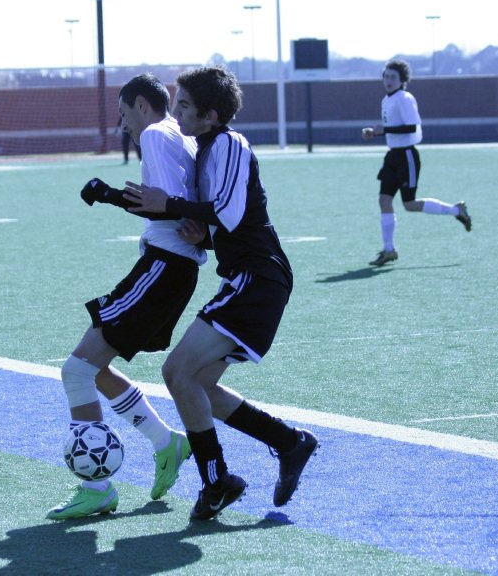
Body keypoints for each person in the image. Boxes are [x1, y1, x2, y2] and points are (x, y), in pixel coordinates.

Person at [123, 66, 318, 521]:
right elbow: (223, 224)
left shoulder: (229, 144)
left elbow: (229, 214)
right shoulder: (206, 148)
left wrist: (169, 206)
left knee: (177, 372)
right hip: (246, 279)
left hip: (259, 278)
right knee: (198, 385)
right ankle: (289, 443)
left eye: (185, 106)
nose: (176, 112)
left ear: (210, 115)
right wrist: (199, 235)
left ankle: (216, 481)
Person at [46, 73, 206, 520]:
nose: (123, 127)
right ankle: (165, 442)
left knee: (76, 371)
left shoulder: (157, 132)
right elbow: (173, 204)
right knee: (93, 370)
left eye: (122, 115)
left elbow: (166, 202)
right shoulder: (182, 136)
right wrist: (113, 196)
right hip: (172, 269)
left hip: (163, 267)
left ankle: (97, 486)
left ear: (141, 105)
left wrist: (109, 194)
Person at [362, 59, 472, 267]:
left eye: (393, 77)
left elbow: (411, 128)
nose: (388, 80)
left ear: (403, 80)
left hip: (407, 157)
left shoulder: (405, 98)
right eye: (386, 76)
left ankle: (457, 211)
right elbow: (393, 129)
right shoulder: (387, 100)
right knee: (384, 201)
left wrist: (383, 130)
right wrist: (375, 133)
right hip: (392, 156)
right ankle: (388, 250)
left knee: (409, 205)